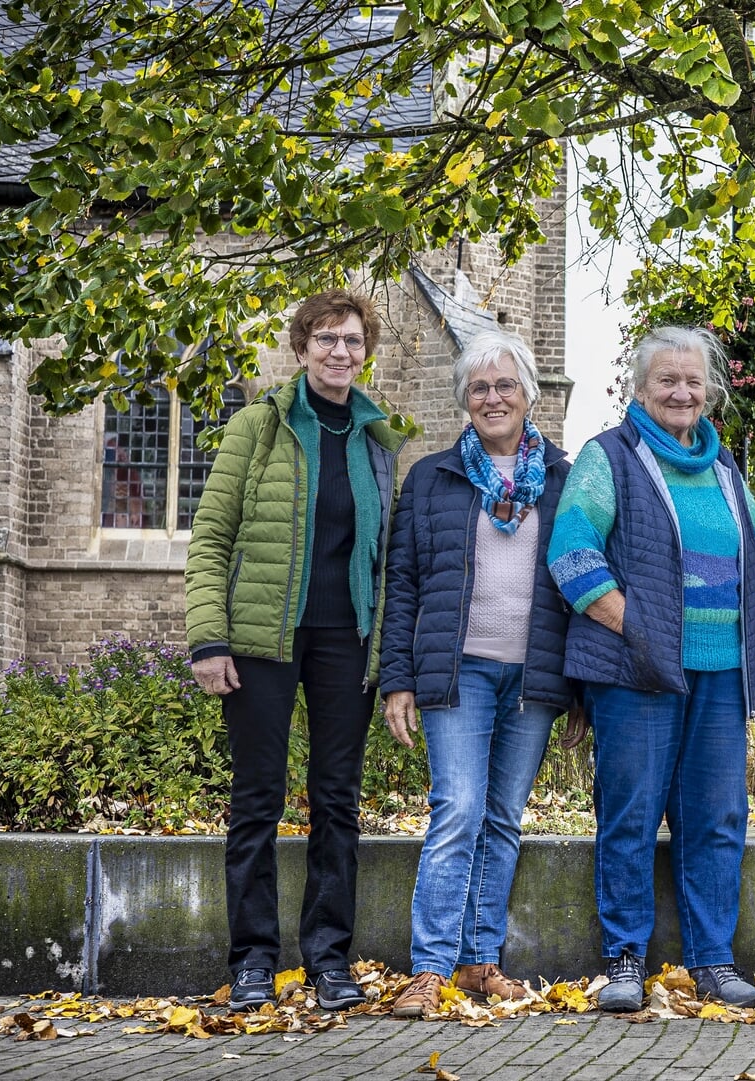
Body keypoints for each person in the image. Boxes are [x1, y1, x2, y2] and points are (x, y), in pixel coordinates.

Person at [184, 290, 407, 1012]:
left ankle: (328, 960)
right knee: (257, 799)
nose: (338, 351)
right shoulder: (259, 425)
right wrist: (207, 639)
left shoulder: (379, 439)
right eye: (325, 338)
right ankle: (253, 959)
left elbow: (382, 555)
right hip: (262, 641)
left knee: (338, 801)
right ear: (302, 345)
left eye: (351, 339)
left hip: (348, 640)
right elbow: (212, 538)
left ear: (364, 350)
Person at [546, 326, 755, 1012]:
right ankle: (623, 961)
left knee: (716, 816)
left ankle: (712, 960)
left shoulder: (725, 468)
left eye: (692, 381)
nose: (681, 392)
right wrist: (636, 627)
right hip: (635, 672)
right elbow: (571, 551)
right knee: (631, 813)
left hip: (719, 672)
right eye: (665, 381)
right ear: (639, 389)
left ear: (709, 392)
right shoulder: (608, 458)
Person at [377, 331, 576, 1018]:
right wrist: (397, 677)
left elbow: (580, 584)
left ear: (529, 395)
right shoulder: (432, 477)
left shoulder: (566, 478)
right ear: (465, 397)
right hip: (456, 669)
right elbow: (401, 582)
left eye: (505, 386)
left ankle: (478, 959)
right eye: (480, 387)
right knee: (456, 808)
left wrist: (577, 687)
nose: (493, 397)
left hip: (534, 673)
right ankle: (428, 967)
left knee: (502, 817)